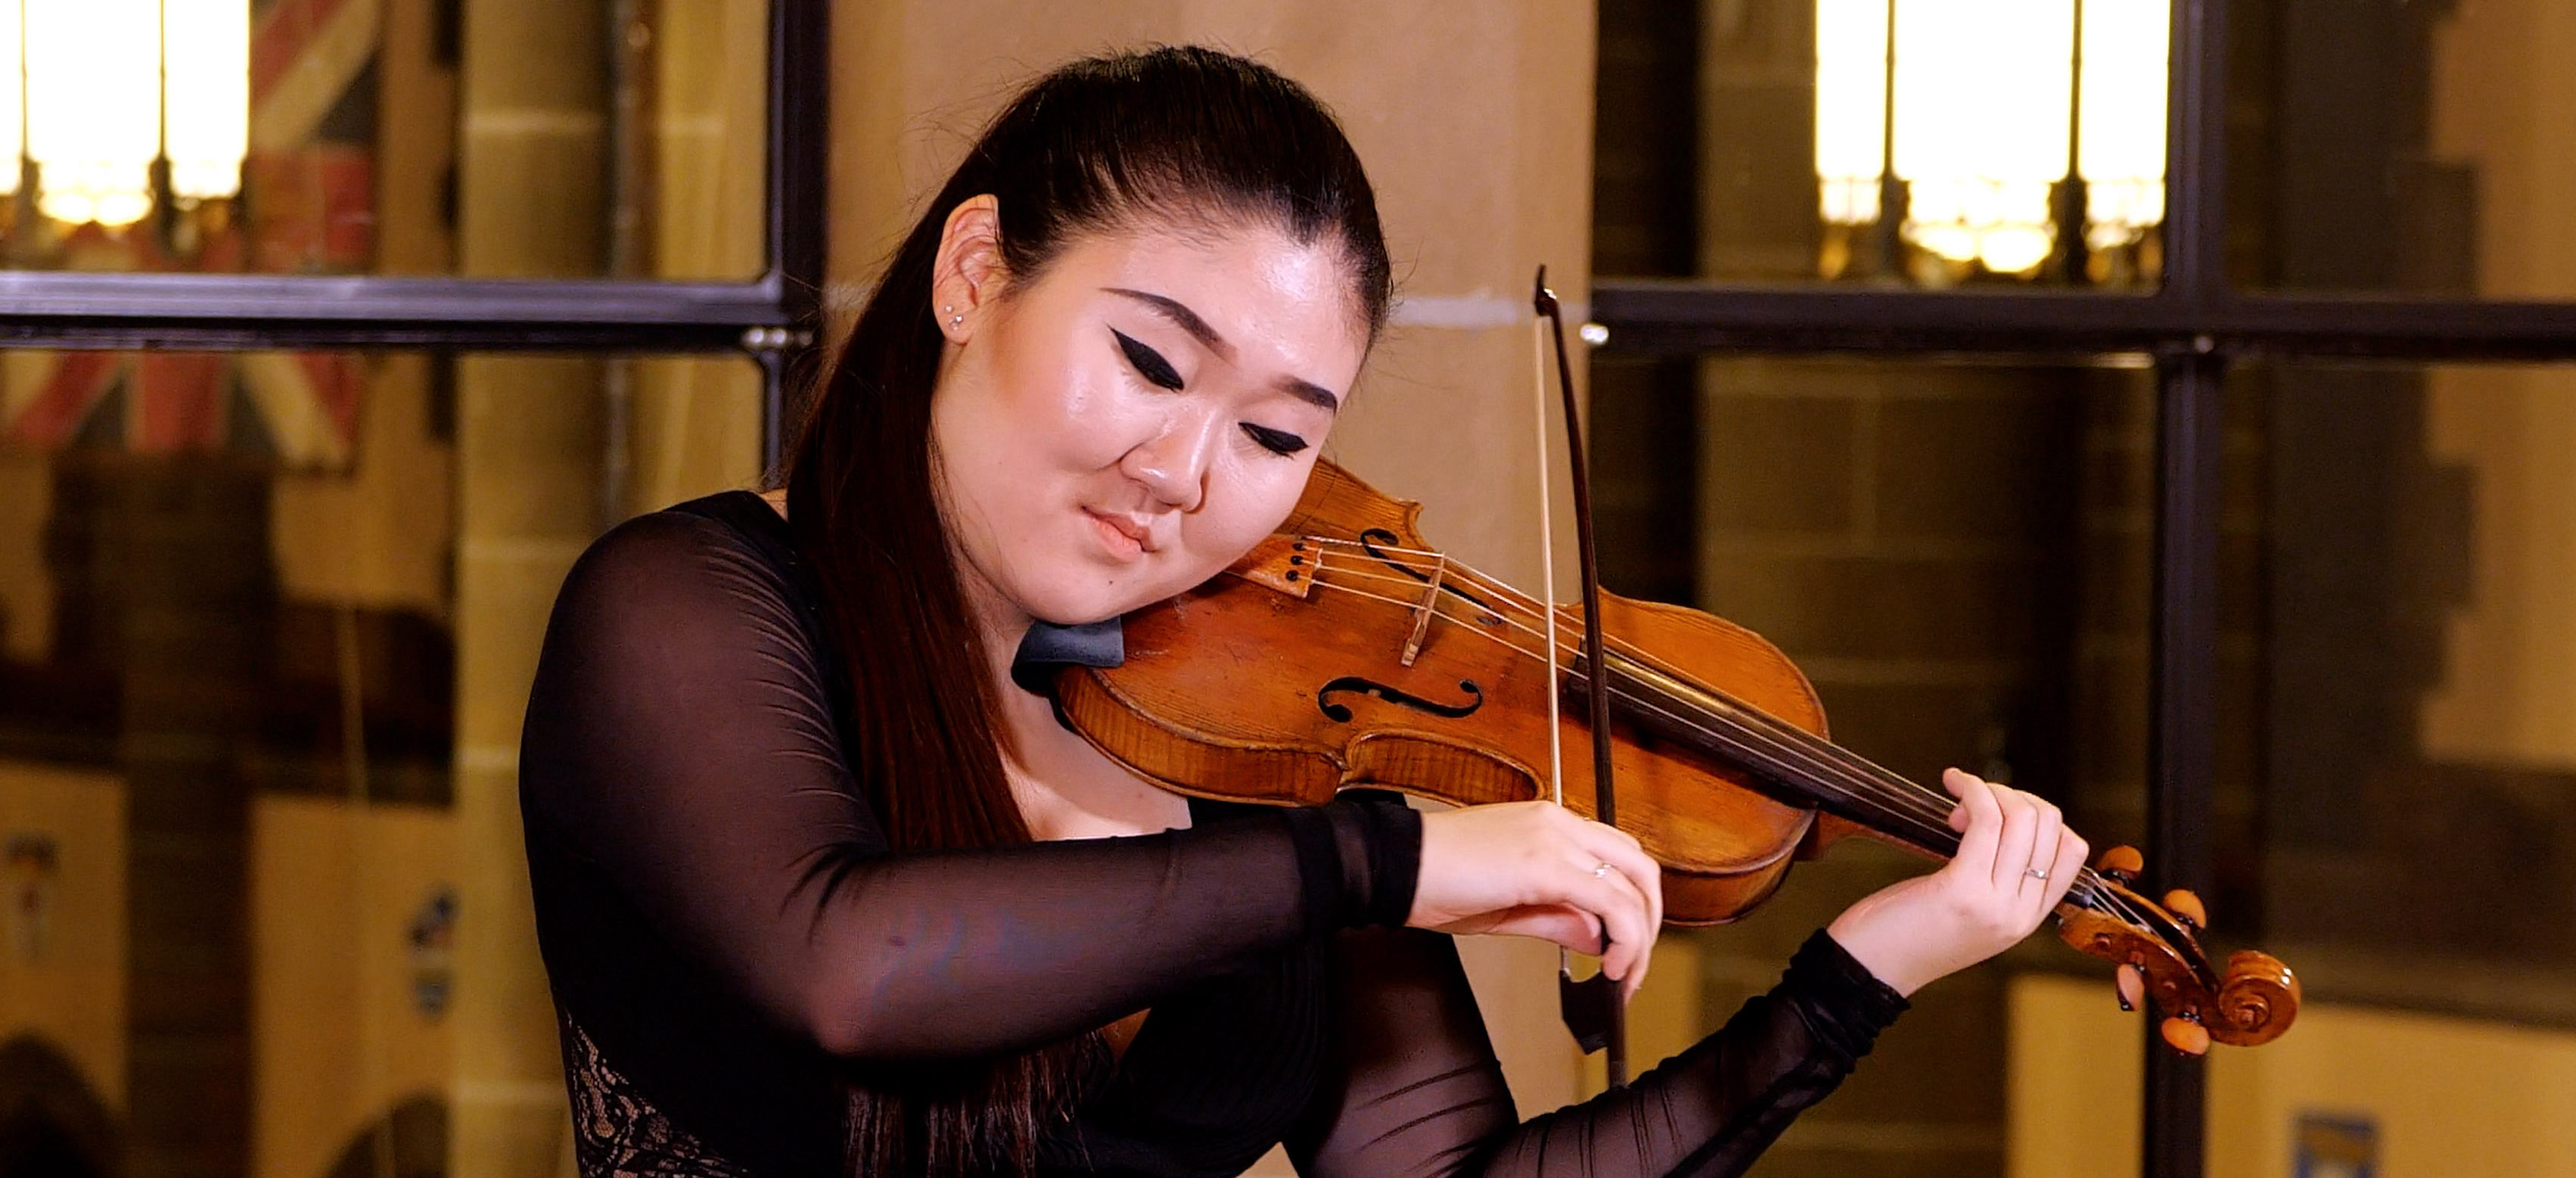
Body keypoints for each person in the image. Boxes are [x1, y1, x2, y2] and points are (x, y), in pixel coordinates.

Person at [517, 45, 2087, 1178]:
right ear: (975, 271)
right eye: (1147, 359)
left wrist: (1858, 974)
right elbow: (848, 962)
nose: (1184, 473)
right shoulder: (686, 610)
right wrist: (1384, 862)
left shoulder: (1251, 744)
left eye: (1276, 433)